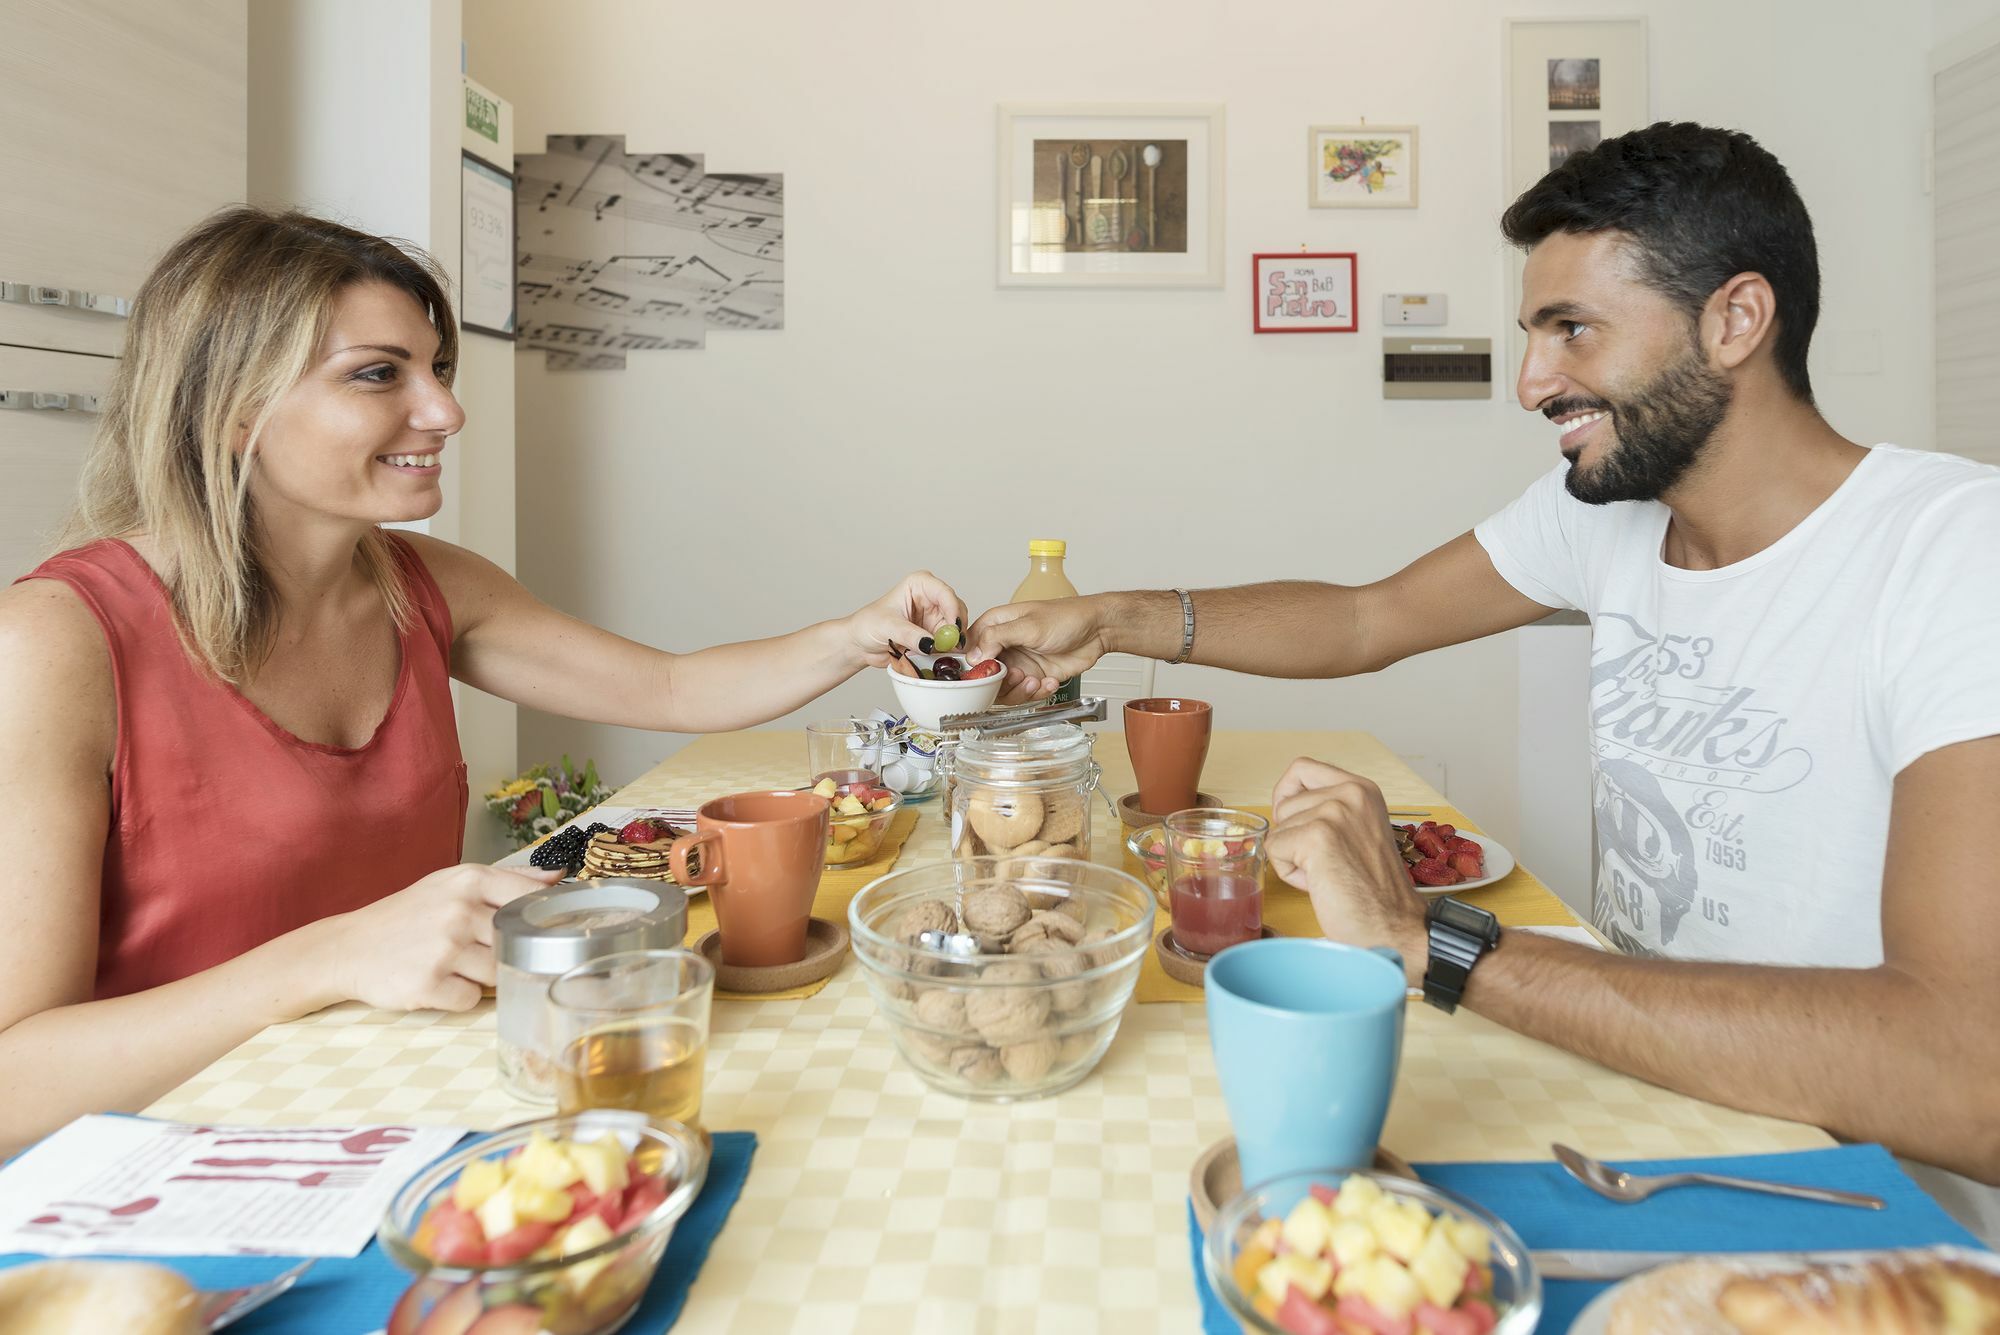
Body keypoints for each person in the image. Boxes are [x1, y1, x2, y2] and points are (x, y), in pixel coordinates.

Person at [970, 124, 2000, 1190]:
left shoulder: (1955, 552)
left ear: (1734, 319)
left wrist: (1431, 938)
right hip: (1650, 1121)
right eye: (1531, 334)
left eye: (1573, 330)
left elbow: (1966, 1080)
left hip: (1852, 1212)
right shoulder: (1601, 517)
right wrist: (1110, 620)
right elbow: (1367, 620)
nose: (1530, 382)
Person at [0, 208, 968, 1152]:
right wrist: (332, 956)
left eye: (438, 368)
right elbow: (15, 1081)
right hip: (155, 1169)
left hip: (375, 1113)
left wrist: (853, 637)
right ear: (231, 407)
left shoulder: (425, 587)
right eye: (379, 374)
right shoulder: (56, 642)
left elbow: (672, 691)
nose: (445, 412)